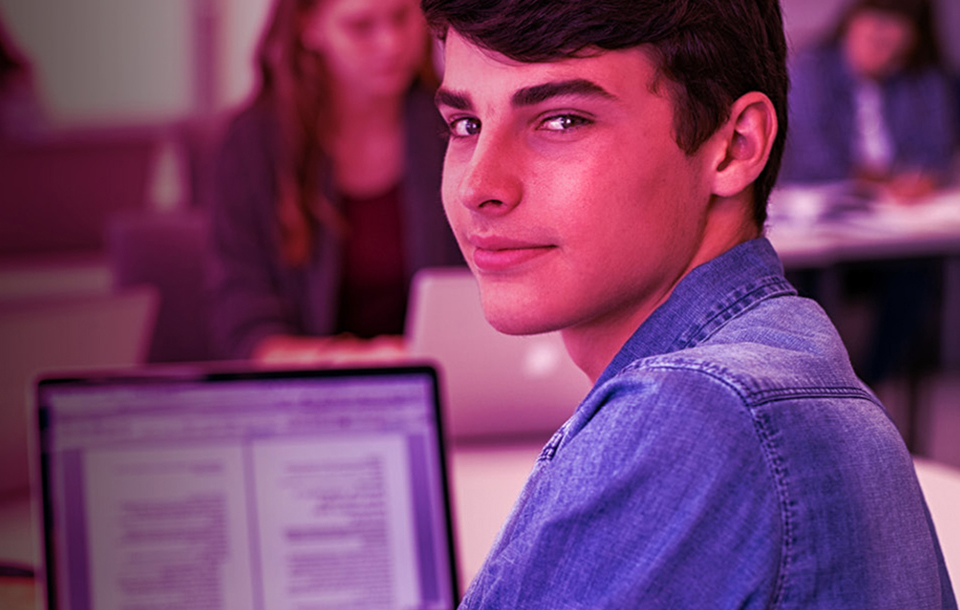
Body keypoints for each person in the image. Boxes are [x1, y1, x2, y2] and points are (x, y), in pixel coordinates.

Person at [422, 0, 956, 607]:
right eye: (465, 125)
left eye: (562, 120)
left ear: (733, 146)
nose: (478, 187)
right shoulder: (778, 364)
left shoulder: (695, 413)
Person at [208, 0, 462, 363]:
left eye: (401, 17)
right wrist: (358, 360)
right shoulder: (253, 146)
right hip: (311, 395)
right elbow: (246, 331)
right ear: (308, 27)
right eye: (361, 27)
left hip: (447, 387)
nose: (390, 43)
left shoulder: (452, 124)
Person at [780, 0, 956, 195]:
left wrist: (922, 179)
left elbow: (936, 153)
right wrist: (883, 181)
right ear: (850, 24)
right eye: (872, 38)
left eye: (891, 48)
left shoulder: (923, 79)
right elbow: (814, 157)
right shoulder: (810, 70)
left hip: (901, 209)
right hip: (824, 200)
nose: (878, 52)